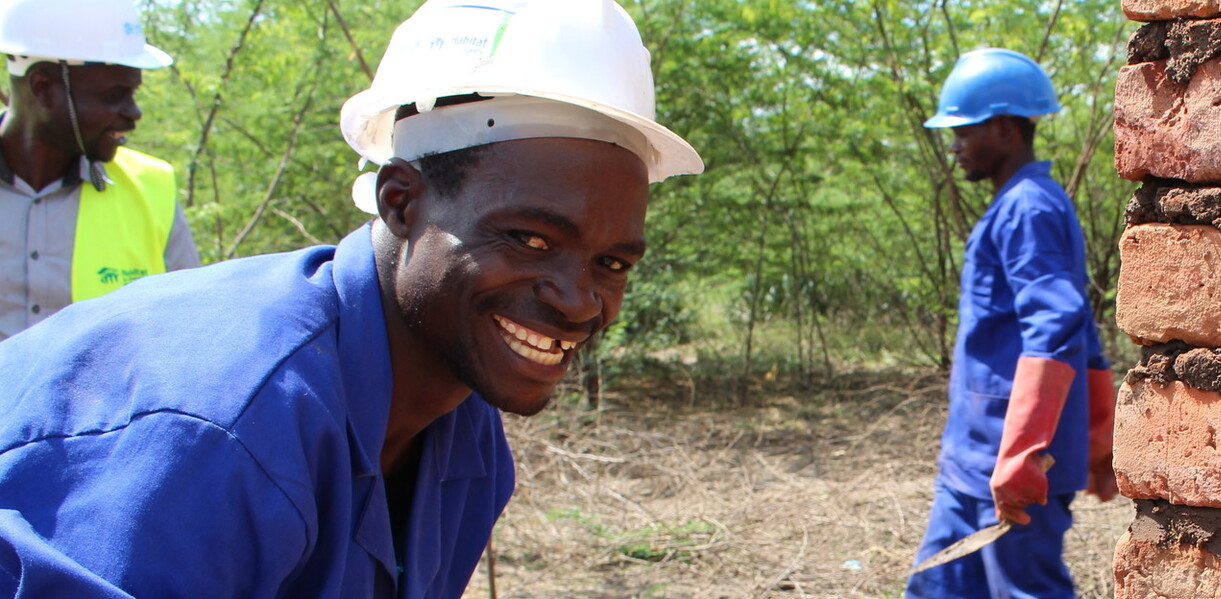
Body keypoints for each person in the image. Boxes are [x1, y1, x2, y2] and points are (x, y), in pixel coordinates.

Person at [0, 0, 703, 596]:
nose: (580, 301)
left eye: (611, 262)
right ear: (402, 203)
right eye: (529, 239)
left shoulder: (465, 442)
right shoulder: (222, 429)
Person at [906, 48, 1119, 599]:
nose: (952, 144)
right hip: (971, 459)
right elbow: (1083, 330)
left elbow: (1060, 324)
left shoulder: (1030, 207)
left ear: (1003, 129)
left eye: (962, 130)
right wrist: (1099, 434)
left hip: (1010, 463)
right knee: (934, 588)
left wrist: (1025, 454)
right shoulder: (1016, 205)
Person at [0, 0, 198, 341]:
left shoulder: (152, 190)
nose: (133, 113)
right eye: (115, 95)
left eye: (133, 94)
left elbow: (191, 330)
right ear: (43, 87)